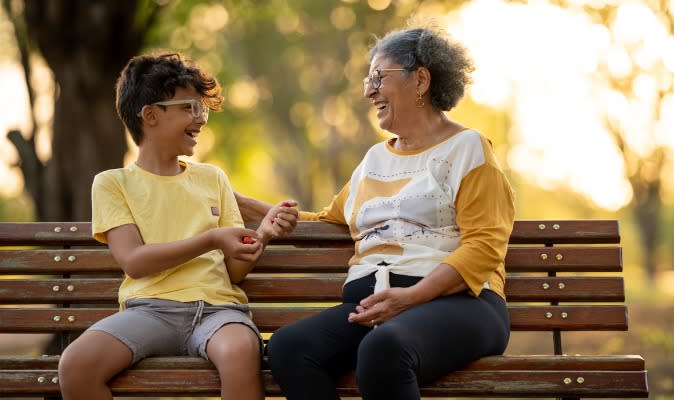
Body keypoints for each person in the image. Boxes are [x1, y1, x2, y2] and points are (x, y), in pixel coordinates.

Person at [237, 25, 515, 400]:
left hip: (461, 304)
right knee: (289, 348)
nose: (368, 90)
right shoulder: (374, 160)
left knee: (384, 349)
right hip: (372, 305)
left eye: (378, 77)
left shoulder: (468, 148)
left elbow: (484, 247)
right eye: (368, 80)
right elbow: (330, 219)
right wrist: (232, 199)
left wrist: (411, 297)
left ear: (419, 80)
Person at [57, 53, 298, 400]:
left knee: (240, 352)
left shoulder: (212, 178)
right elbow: (134, 262)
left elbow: (235, 272)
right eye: (189, 108)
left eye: (201, 109)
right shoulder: (113, 183)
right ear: (151, 115)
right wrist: (211, 239)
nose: (200, 119)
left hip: (218, 311)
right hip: (150, 311)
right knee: (76, 365)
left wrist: (261, 235)